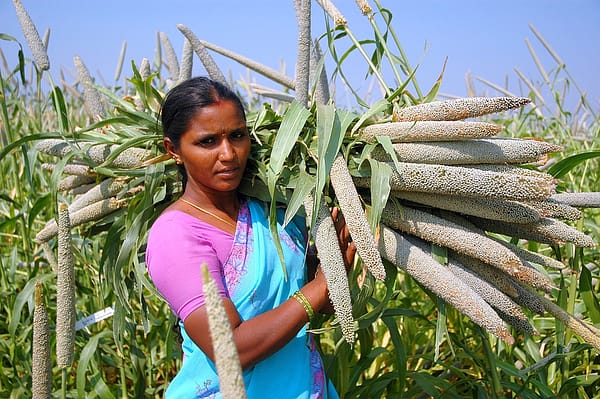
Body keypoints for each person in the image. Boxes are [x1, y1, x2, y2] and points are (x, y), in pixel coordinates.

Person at [145, 76, 356, 398]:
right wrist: (324, 285)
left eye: (237, 136)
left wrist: (331, 265)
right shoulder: (176, 234)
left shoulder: (270, 213)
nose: (228, 154)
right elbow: (232, 350)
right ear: (173, 150)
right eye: (208, 142)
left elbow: (311, 305)